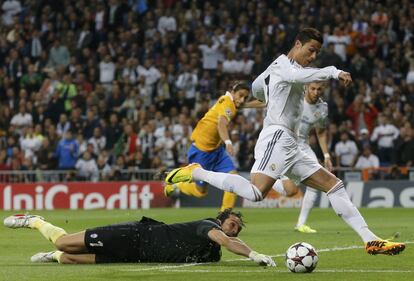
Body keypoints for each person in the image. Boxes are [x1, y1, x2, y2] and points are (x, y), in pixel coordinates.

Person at [164, 28, 405, 255]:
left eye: (317, 53)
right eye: (310, 50)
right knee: (256, 193)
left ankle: (370, 240)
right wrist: (333, 71)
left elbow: (258, 85)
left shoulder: (275, 68)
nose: (312, 56)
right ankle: (197, 172)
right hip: (277, 137)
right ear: (297, 44)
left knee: (333, 185)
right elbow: (290, 76)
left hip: (292, 143)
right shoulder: (283, 65)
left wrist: (262, 94)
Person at [3, 209, 275, 266]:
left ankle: (51, 257)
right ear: (222, 218)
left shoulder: (211, 250)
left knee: (70, 259)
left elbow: (225, 246)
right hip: (133, 235)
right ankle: (35, 221)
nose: (234, 229)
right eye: (233, 222)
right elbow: (227, 242)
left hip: (136, 255)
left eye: (238, 227)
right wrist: (254, 255)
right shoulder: (207, 226)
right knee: (64, 242)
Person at [164, 82, 249, 211]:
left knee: (234, 180)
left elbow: (247, 104)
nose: (242, 100)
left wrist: (270, 102)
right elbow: (221, 124)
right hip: (201, 152)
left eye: (245, 98)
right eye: (241, 95)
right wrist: (228, 142)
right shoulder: (226, 102)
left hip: (217, 151)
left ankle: (224, 216)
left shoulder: (232, 102)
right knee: (201, 192)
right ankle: (177, 185)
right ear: (232, 91)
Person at [272, 81, 333, 234]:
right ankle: (268, 178)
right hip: (286, 147)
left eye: (319, 89)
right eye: (313, 88)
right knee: (290, 192)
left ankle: (301, 224)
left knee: (316, 183)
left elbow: (320, 132)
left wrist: (326, 155)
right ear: (306, 87)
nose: (316, 92)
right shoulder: (294, 99)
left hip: (304, 147)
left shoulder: (322, 108)